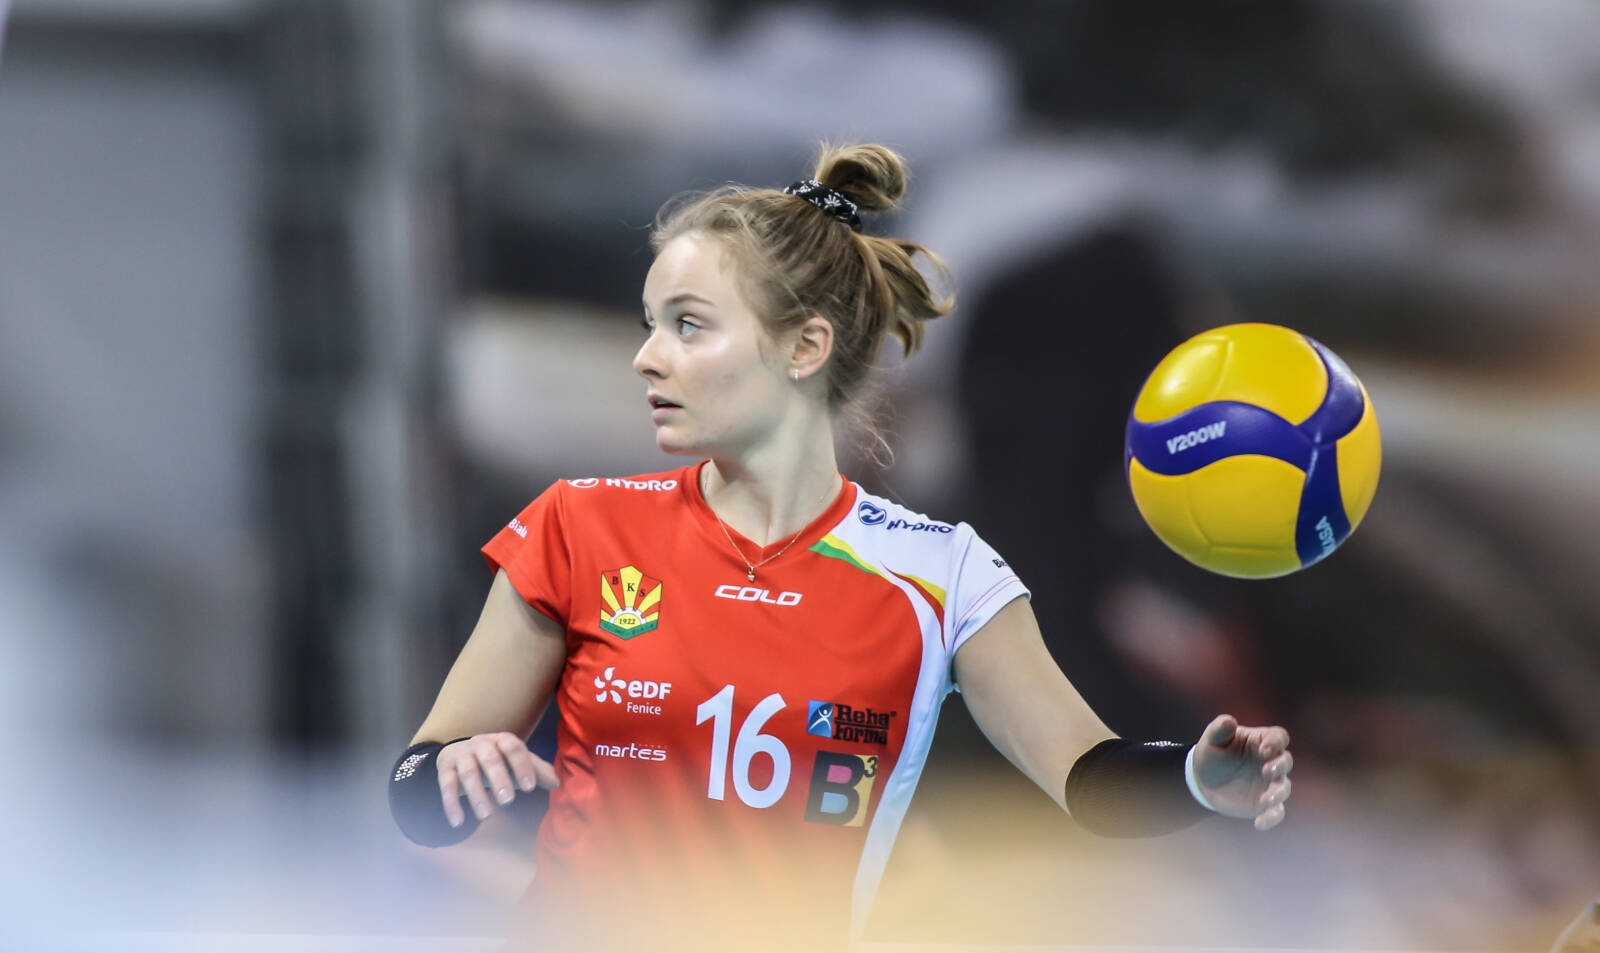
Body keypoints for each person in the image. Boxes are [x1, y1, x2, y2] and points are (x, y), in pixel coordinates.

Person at [389, 144, 1294, 952]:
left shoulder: (944, 572)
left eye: (689, 326)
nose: (647, 358)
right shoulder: (576, 526)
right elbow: (415, 791)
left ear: (804, 349)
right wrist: (452, 774)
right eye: (650, 325)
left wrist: (1196, 777)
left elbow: (1086, 771)